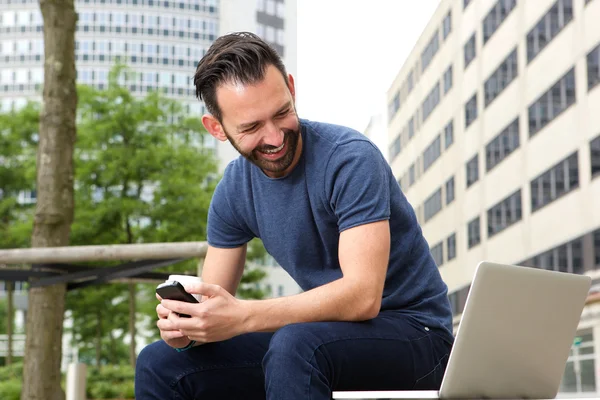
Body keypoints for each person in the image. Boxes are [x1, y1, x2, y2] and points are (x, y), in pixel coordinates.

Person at [135, 32, 454, 400]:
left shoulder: (349, 159)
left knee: (294, 345)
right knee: (160, 363)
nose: (274, 137)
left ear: (290, 88)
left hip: (419, 337)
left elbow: (363, 296)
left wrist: (243, 316)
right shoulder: (233, 192)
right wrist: (191, 327)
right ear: (217, 128)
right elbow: (214, 301)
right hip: (322, 340)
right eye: (252, 127)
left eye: (282, 113)